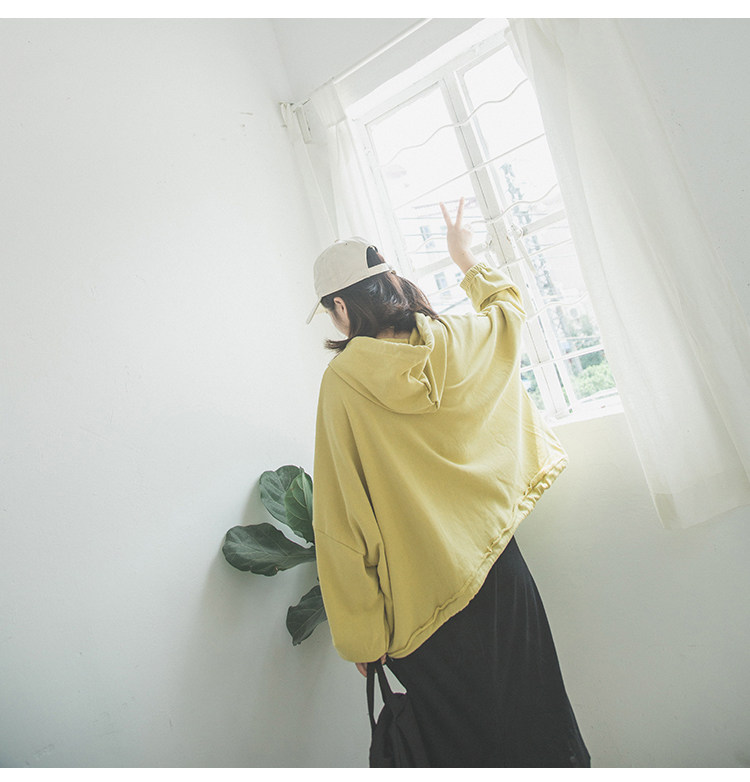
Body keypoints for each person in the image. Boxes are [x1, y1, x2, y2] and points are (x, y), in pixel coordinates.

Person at [307, 198, 590, 768]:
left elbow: (342, 516)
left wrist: (362, 634)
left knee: (464, 748)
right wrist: (465, 259)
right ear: (390, 283)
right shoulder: (455, 339)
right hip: (500, 570)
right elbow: (509, 312)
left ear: (340, 305)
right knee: (539, 718)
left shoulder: (343, 383)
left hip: (423, 606)